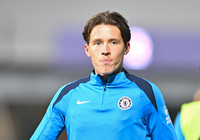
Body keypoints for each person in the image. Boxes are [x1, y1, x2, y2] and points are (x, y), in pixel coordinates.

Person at [30, 11, 177, 140]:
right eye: (98, 43)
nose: (105, 50)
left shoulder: (146, 92)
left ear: (126, 48)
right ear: (87, 49)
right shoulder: (68, 95)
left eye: (113, 42)